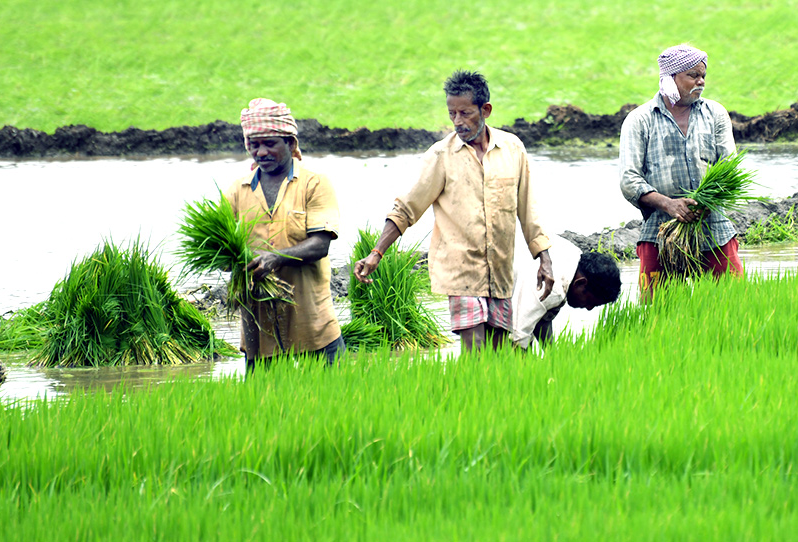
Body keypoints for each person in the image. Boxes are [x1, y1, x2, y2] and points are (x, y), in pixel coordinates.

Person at [353, 70, 554, 352]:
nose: (458, 121)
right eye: (452, 113)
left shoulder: (513, 150)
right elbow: (407, 208)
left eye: (465, 113)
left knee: (499, 352)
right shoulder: (441, 156)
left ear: (486, 110)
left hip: (500, 270)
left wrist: (544, 259)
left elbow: (528, 208)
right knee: (475, 348)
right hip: (460, 270)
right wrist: (376, 254)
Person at [228, 98, 345, 369]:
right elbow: (224, 253)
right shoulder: (237, 191)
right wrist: (230, 260)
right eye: (255, 145)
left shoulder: (314, 184)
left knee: (333, 402)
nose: (262, 152)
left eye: (270, 143)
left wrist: (274, 258)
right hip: (260, 328)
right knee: (263, 407)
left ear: (290, 144)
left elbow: (320, 245)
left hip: (312, 324)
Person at [619, 44, 743, 298]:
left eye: (703, 76)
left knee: (734, 302)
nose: (701, 82)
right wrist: (670, 205)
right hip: (661, 230)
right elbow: (629, 180)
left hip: (712, 226)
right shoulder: (640, 119)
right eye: (693, 76)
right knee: (657, 310)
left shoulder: (715, 113)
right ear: (671, 78)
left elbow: (729, 168)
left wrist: (706, 201)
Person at [509, 236, 622, 350]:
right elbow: (518, 336)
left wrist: (552, 354)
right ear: (580, 283)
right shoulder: (552, 287)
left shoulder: (573, 255)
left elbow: (543, 319)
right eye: (590, 302)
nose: (589, 308)